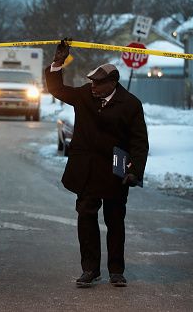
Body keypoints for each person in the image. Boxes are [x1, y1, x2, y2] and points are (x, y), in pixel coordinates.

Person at [45, 38, 149, 288]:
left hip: (115, 171)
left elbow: (139, 142)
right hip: (87, 170)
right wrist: (58, 62)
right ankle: (90, 269)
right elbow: (57, 90)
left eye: (99, 83)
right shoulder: (84, 95)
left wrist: (135, 170)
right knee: (86, 217)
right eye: (92, 81)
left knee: (115, 220)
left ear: (113, 83)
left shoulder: (131, 104)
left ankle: (116, 270)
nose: (93, 86)